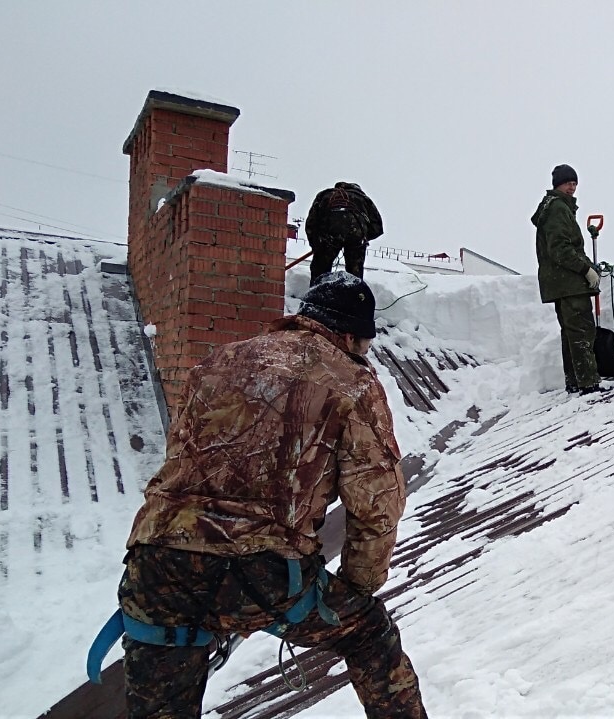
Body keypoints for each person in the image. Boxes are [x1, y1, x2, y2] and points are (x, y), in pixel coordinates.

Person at [113, 272, 426, 718]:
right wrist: (358, 588)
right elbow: (376, 501)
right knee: (369, 633)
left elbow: (182, 457)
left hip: (157, 564)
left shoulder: (217, 361)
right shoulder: (352, 382)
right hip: (264, 570)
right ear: (351, 336)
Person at [531, 164, 602, 395]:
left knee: (572, 333)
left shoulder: (554, 208)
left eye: (574, 183)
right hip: (569, 283)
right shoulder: (558, 208)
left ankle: (575, 381)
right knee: (581, 332)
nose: (572, 187)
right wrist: (585, 270)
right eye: (568, 183)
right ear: (558, 185)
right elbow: (560, 249)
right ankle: (588, 383)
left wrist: (589, 266)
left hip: (561, 283)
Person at [305, 182, 384, 284]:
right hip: (356, 235)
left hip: (329, 234)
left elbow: (311, 223)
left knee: (320, 269)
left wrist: (316, 245)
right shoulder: (363, 198)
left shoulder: (325, 195)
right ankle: (356, 296)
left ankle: (316, 295)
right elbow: (377, 227)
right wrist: (363, 237)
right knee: (355, 273)